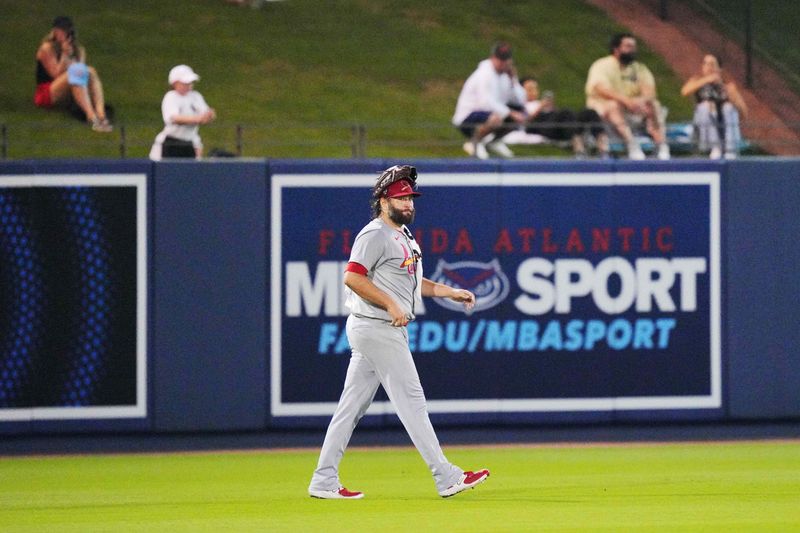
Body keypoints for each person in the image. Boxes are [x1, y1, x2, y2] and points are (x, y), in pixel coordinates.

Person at [308, 164, 490, 499]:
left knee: (351, 408)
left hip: (377, 329)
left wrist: (451, 291)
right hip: (377, 327)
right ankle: (446, 476)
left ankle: (323, 480)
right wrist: (391, 305)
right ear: (382, 200)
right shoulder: (374, 234)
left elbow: (414, 284)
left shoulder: (403, 235)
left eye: (410, 197)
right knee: (412, 402)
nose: (408, 203)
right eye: (400, 197)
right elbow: (352, 277)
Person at [585, 33, 670, 160]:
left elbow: (649, 91)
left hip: (631, 110)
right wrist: (626, 101)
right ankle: (631, 144)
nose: (632, 50)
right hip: (605, 112)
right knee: (613, 105)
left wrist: (640, 101)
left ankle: (662, 146)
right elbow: (601, 88)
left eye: (634, 47)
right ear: (616, 49)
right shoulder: (602, 65)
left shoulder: (639, 68)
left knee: (653, 104)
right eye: (628, 46)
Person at [34, 16, 112, 132]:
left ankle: (101, 116)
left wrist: (73, 56)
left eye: (68, 31)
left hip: (71, 90)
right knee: (75, 71)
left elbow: (82, 75)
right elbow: (55, 74)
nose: (66, 34)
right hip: (48, 91)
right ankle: (92, 118)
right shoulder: (47, 48)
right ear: (55, 31)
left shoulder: (79, 50)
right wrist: (65, 55)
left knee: (90, 71)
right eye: (62, 30)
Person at [452, 42, 528, 159]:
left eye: (506, 60)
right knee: (496, 118)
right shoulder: (484, 74)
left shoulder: (505, 76)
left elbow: (520, 100)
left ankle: (493, 142)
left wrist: (514, 81)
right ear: (493, 58)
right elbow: (485, 103)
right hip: (468, 116)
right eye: (500, 60)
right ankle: (474, 142)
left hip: (492, 112)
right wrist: (510, 113)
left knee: (522, 113)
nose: (503, 63)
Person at [520, 76, 609, 158]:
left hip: (557, 124)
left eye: (535, 88)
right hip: (543, 127)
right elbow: (525, 122)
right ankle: (579, 148)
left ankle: (603, 149)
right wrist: (540, 107)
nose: (534, 92)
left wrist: (550, 107)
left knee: (589, 112)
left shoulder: (539, 103)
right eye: (530, 89)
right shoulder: (521, 105)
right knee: (565, 112)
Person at [681, 54, 748, 159]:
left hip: (723, 122)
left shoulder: (728, 86)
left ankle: (730, 150)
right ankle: (715, 147)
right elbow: (685, 91)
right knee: (706, 105)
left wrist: (734, 100)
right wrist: (707, 80)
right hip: (704, 123)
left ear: (719, 69)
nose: (708, 67)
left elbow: (744, 113)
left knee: (728, 107)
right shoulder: (697, 81)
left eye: (712, 64)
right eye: (705, 64)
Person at [149, 65, 216, 160]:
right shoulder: (171, 97)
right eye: (185, 83)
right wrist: (198, 119)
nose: (189, 85)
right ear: (175, 83)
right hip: (172, 141)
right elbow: (174, 118)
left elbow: (207, 114)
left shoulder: (195, 96)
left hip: (190, 141)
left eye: (190, 83)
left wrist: (209, 115)